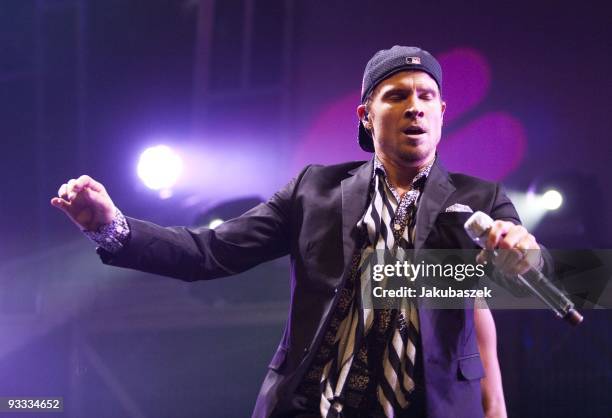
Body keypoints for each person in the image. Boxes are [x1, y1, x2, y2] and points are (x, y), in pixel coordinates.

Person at [51, 46, 541, 417]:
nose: (415, 106)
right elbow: (209, 252)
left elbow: (512, 279)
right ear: (366, 116)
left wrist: (523, 252)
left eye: (427, 95)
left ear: (441, 113)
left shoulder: (480, 198)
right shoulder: (314, 191)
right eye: (397, 95)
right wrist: (111, 227)